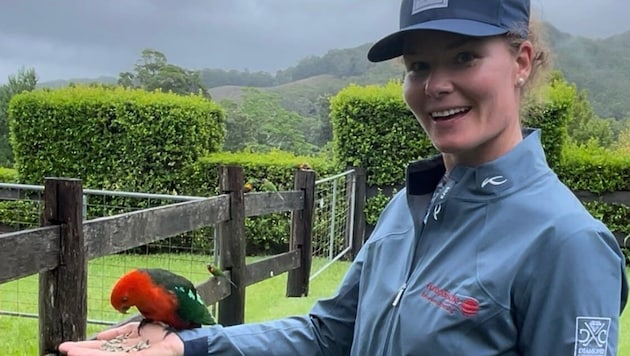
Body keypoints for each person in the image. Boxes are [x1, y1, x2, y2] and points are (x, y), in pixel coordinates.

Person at [60, 0, 629, 354]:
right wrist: (191, 347)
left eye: (463, 58)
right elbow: (328, 335)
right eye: (419, 67)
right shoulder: (408, 209)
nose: (435, 85)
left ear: (523, 61)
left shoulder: (567, 244)